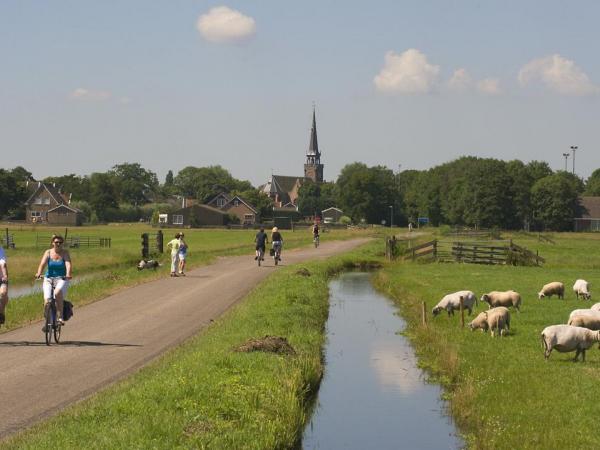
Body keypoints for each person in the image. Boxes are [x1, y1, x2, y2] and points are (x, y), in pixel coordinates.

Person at [34, 235, 72, 326]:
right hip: (48, 278)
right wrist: (39, 273)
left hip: (61, 278)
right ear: (52, 243)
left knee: (57, 292)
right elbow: (42, 264)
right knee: (47, 301)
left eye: (60, 242)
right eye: (56, 242)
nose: (58, 244)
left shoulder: (65, 253)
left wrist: (68, 274)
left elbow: (68, 264)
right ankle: (48, 322)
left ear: (62, 244)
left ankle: (60, 317)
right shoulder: (48, 252)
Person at [0, 246, 8, 326]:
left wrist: (5, 275)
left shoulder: (0, 250)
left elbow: (2, 263)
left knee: (3, 293)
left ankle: (1, 314)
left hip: (1, 278)